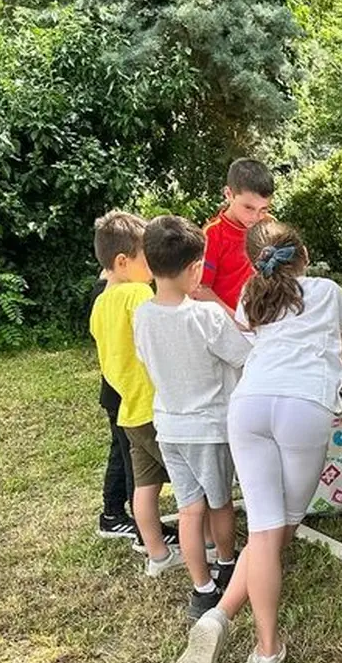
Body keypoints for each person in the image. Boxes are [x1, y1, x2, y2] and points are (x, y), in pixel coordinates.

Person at [176, 221, 342, 663]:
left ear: (254, 262)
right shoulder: (327, 290)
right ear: (304, 253)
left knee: (263, 531)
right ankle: (256, 649)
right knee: (278, 533)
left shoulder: (251, 295)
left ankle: (234, 629)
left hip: (248, 406)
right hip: (303, 407)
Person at [133, 215, 252, 619]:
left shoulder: (142, 316)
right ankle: (227, 564)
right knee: (220, 504)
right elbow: (243, 355)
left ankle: (202, 588)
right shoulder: (207, 316)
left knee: (189, 509)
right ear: (195, 268)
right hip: (209, 429)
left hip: (169, 427)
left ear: (149, 265)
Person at [88, 211, 184, 576]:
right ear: (122, 262)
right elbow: (160, 340)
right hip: (157, 406)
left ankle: (156, 552)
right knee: (191, 483)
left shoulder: (101, 302)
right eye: (148, 257)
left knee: (145, 486)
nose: (154, 264)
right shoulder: (138, 294)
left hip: (129, 409)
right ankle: (207, 544)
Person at [89, 267, 138, 543]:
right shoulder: (112, 292)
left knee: (122, 450)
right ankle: (129, 520)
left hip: (116, 390)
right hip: (123, 391)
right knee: (132, 456)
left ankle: (113, 513)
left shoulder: (107, 288)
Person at [196, 158, 275, 314]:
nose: (256, 217)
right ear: (229, 194)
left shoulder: (269, 225)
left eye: (263, 209)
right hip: (225, 323)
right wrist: (236, 320)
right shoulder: (212, 234)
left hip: (263, 320)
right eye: (249, 208)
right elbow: (200, 289)